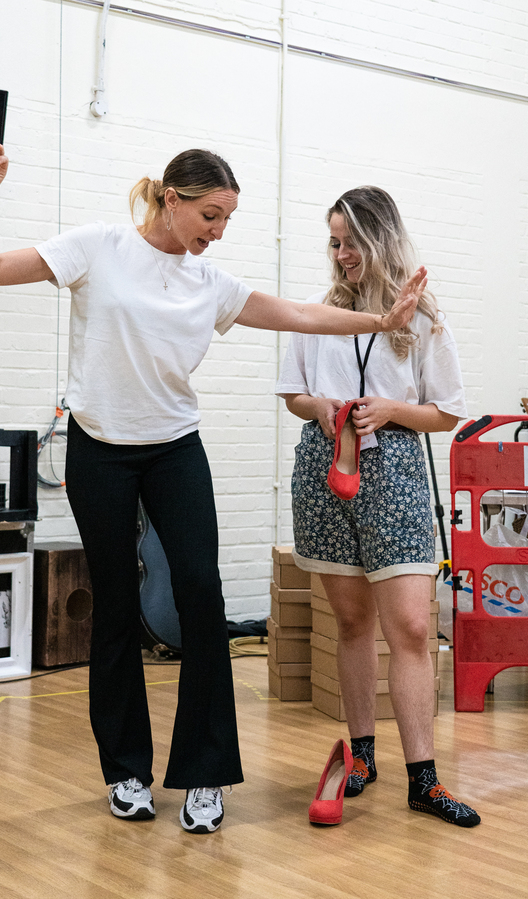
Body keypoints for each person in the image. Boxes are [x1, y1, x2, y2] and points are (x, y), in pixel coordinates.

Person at [0, 146, 422, 834]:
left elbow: (300, 314)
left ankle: (205, 774)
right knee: (115, 604)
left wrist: (380, 323)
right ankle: (126, 770)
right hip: (100, 452)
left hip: (175, 449)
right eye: (211, 215)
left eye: (227, 218)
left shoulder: (209, 282)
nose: (218, 230)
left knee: (201, 596)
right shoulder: (98, 247)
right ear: (171, 199)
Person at [276, 185, 481, 828]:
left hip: (395, 471)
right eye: (333, 243)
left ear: (379, 239)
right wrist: (327, 410)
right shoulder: (316, 312)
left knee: (413, 628)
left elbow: (446, 412)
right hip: (325, 464)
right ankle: (361, 756)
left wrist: (391, 410)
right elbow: (293, 394)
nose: (340, 256)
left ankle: (425, 778)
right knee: (352, 622)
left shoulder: (423, 319)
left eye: (350, 243)